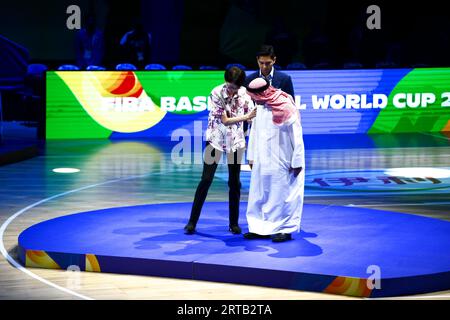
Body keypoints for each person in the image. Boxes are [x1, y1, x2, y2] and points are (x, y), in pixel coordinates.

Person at [184, 67, 257, 235]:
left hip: (236, 142)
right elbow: (224, 120)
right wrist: (246, 118)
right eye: (230, 86)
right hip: (215, 140)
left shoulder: (245, 94)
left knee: (234, 183)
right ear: (225, 82)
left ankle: (233, 223)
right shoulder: (216, 93)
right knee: (206, 179)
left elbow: (254, 115)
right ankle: (192, 222)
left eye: (235, 88)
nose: (232, 91)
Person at [244, 77, 305, 242]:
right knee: (259, 193)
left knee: (283, 194)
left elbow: (297, 135)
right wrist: (250, 156)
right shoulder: (259, 105)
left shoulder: (285, 105)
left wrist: (297, 160)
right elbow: (254, 131)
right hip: (261, 157)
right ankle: (259, 227)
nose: (252, 98)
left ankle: (285, 229)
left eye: (253, 95)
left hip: (283, 157)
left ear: (261, 92)